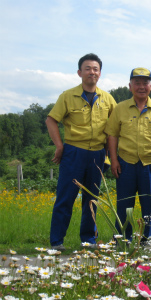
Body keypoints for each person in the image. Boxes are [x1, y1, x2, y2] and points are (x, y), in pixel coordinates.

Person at [46, 53, 117, 251]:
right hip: (73, 153)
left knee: (91, 199)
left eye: (95, 69)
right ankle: (57, 241)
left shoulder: (108, 99)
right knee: (65, 197)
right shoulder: (68, 96)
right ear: (79, 72)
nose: (91, 72)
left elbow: (114, 130)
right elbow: (51, 120)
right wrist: (60, 146)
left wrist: (111, 157)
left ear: (100, 73)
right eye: (87, 69)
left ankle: (88, 240)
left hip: (97, 155)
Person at [105, 67, 151, 245]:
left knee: (149, 205)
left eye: (145, 83)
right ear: (130, 86)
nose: (141, 86)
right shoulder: (120, 108)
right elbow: (112, 135)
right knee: (124, 204)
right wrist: (113, 160)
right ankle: (123, 239)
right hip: (125, 164)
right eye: (137, 83)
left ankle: (146, 239)